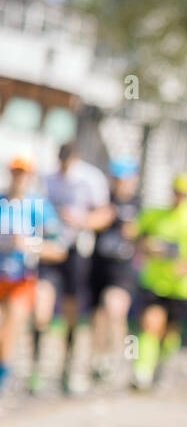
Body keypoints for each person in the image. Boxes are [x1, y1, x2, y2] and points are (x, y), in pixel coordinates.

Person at [33, 141, 110, 394]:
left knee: (71, 312)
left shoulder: (91, 179)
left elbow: (105, 214)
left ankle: (67, 367)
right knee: (41, 308)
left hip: (77, 250)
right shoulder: (47, 179)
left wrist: (81, 220)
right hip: (51, 249)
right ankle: (36, 369)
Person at [130, 173, 187, 390]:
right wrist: (147, 246)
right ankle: (142, 371)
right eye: (177, 193)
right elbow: (136, 236)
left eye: (184, 194)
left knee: (170, 333)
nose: (179, 197)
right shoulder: (155, 214)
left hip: (182, 288)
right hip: (155, 281)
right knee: (151, 325)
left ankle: (163, 368)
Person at [0, 157, 64, 397]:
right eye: (15, 173)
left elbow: (59, 248)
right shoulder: (1, 202)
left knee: (11, 328)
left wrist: (30, 245)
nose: (18, 178)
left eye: (23, 173)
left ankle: (2, 381)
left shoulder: (38, 206)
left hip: (22, 278)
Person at [88, 158, 141, 385]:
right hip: (99, 264)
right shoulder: (103, 200)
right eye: (117, 179)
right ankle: (99, 360)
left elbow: (138, 233)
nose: (120, 184)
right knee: (99, 316)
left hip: (123, 268)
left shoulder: (138, 205)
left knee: (116, 309)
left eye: (124, 179)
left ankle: (125, 357)